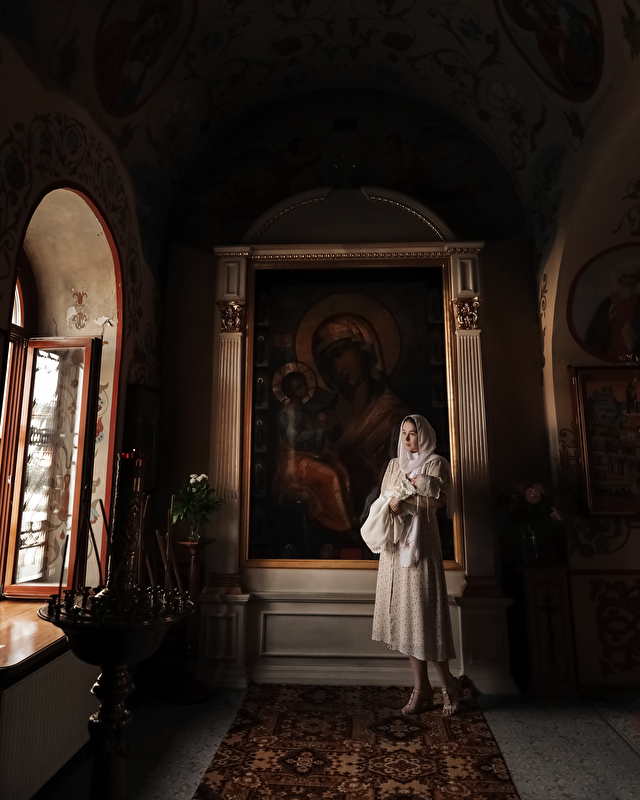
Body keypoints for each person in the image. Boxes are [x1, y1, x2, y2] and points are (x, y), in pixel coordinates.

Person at [364, 414, 461, 716]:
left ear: (425, 435)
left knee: (427, 617)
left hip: (422, 548)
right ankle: (421, 689)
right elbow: (384, 498)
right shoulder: (395, 465)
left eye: (413, 433)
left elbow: (439, 501)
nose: (407, 439)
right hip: (395, 550)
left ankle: (449, 685)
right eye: (404, 433)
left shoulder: (436, 464)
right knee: (407, 620)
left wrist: (407, 502)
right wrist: (392, 502)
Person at [275, 370, 353, 531]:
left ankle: (347, 517)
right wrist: (321, 432)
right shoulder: (286, 414)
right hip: (293, 460)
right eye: (298, 387)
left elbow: (314, 430)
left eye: (303, 384)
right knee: (330, 475)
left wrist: (324, 424)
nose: (304, 388)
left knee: (342, 471)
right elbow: (295, 440)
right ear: (290, 392)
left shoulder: (304, 410)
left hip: (310, 454)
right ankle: (338, 523)